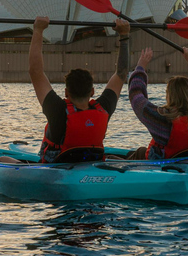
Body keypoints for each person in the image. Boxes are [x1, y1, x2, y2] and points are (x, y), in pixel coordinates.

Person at [29, 16, 130, 163]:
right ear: (92, 92)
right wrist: (124, 35)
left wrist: (38, 30)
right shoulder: (104, 108)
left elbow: (35, 71)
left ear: (66, 93)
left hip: (56, 171)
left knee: (2, 158)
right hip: (90, 165)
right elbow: (121, 73)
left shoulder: (57, 110)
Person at [127, 46, 188, 160]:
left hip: (166, 165)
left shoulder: (164, 121)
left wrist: (140, 66)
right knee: (141, 151)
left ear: (169, 95)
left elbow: (136, 96)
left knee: (137, 153)